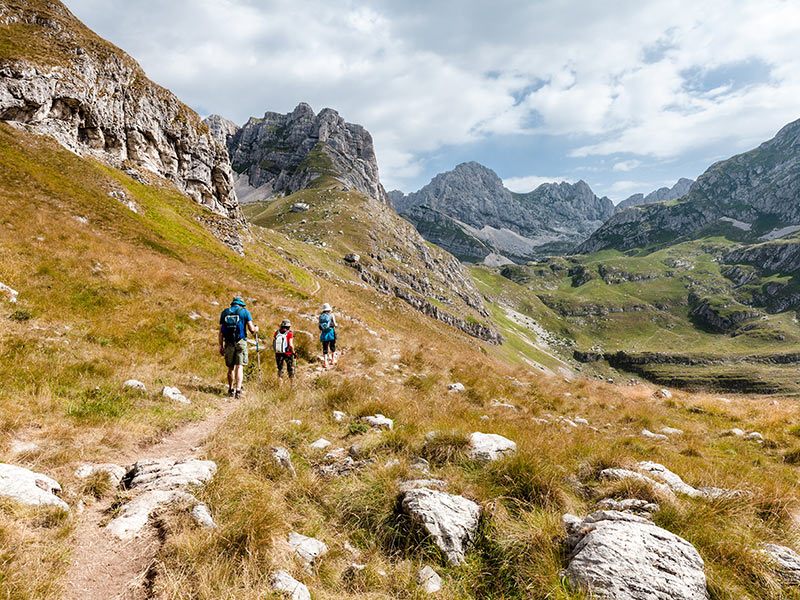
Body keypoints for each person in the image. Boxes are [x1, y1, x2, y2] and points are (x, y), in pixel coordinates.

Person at [218, 297, 258, 398]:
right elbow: (251, 329)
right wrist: (256, 329)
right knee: (239, 366)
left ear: (232, 304)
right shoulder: (245, 312)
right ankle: (238, 390)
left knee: (230, 368)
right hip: (241, 341)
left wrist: (220, 346)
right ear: (241, 304)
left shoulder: (225, 312)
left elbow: (221, 332)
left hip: (228, 342)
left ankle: (230, 389)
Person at [318, 302, 338, 369]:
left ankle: (325, 363)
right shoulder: (331, 315)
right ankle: (332, 360)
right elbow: (335, 324)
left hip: (324, 334)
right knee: (332, 346)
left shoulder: (320, 316)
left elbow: (319, 326)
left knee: (325, 348)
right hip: (331, 333)